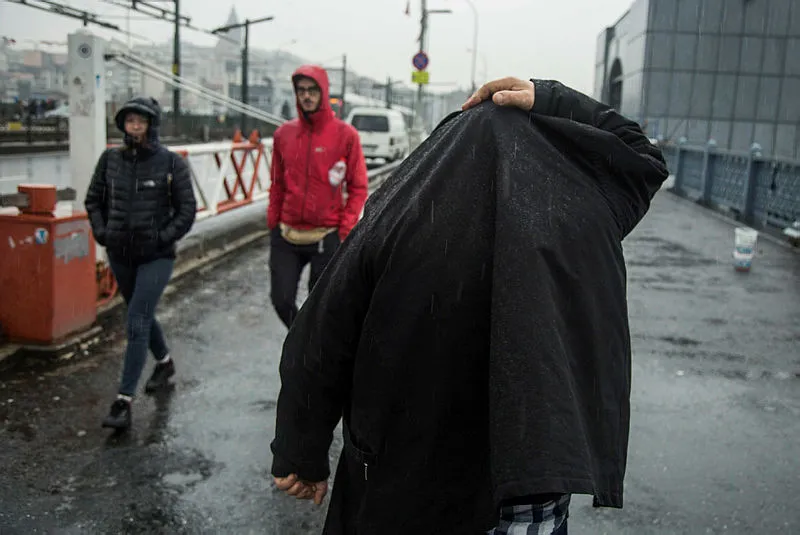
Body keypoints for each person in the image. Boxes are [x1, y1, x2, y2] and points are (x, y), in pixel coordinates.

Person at [269, 75, 669, 534]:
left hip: (408, 469)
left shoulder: (405, 202)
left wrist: (301, 451)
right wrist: (551, 97)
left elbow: (322, 330)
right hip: (531, 470)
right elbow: (642, 156)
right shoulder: (581, 199)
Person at [85, 96, 197, 431]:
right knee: (141, 312)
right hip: (120, 253)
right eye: (130, 121)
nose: (135, 126)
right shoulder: (110, 160)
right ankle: (164, 362)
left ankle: (123, 401)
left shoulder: (171, 163)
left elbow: (186, 210)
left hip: (156, 256)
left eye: (141, 121)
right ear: (123, 125)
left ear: (152, 124)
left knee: (136, 319)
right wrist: (103, 233)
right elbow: (93, 200)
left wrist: (163, 238)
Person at [267, 65, 368, 329]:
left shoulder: (345, 135)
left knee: (321, 304)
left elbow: (358, 187)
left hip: (326, 235)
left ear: (323, 92)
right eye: (301, 91)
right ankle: (303, 341)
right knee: (281, 299)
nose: (307, 96)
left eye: (312, 90)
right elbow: (276, 184)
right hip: (287, 234)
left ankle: (311, 351)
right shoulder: (283, 135)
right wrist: (273, 224)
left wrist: (343, 230)